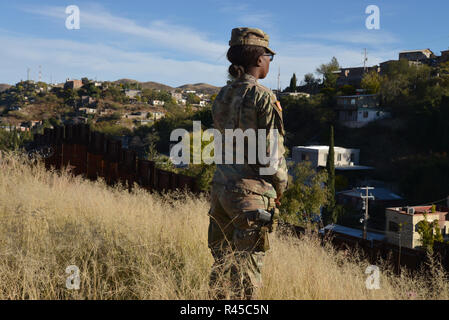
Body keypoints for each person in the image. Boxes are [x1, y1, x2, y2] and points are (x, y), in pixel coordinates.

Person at [208, 27, 288, 300]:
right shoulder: (263, 97)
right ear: (258, 59)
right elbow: (271, 157)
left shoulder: (221, 96)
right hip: (250, 198)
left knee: (221, 270)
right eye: (268, 56)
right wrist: (280, 188)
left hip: (221, 192)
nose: (269, 61)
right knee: (247, 281)